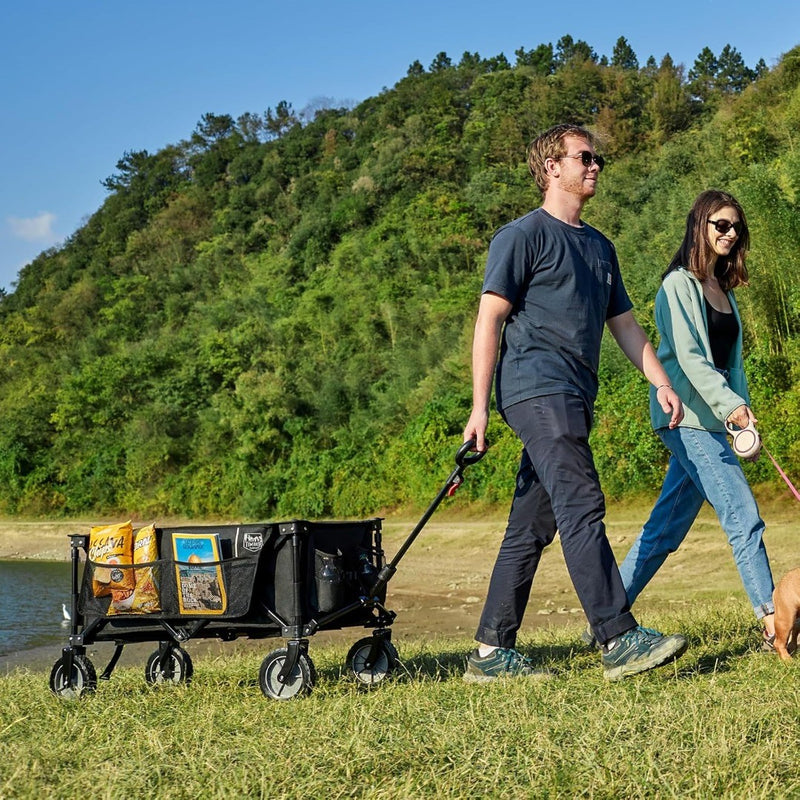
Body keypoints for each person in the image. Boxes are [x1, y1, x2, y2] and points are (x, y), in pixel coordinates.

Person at [462, 123, 688, 683]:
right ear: (551, 166)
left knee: (531, 524)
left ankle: (491, 653)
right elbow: (489, 320)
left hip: (574, 394)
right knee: (582, 502)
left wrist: (660, 381)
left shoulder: (599, 247)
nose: (594, 166)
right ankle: (617, 636)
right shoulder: (521, 236)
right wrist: (479, 407)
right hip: (536, 387)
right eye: (583, 157)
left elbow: (626, 328)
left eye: (597, 159)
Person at [616, 189, 777, 650]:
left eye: (736, 227)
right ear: (699, 226)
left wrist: (742, 414)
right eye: (721, 225)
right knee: (743, 516)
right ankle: (774, 623)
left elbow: (734, 364)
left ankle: (607, 615)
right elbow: (688, 358)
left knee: (664, 530)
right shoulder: (677, 284)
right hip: (687, 416)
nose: (730, 234)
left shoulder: (721, 288)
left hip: (719, 418)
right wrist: (729, 406)